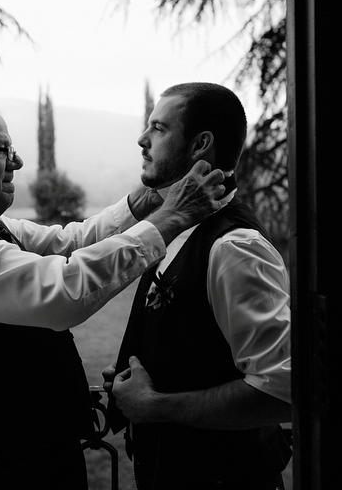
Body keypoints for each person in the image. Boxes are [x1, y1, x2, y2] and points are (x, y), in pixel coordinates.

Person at [0, 97, 231, 490]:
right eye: (2, 150)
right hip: (2, 472)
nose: (16, 162)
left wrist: (142, 205)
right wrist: (171, 218)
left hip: (33, 460)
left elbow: (68, 242)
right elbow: (64, 291)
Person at [103, 82, 292, 490]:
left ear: (200, 143)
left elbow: (280, 391)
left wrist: (154, 406)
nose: (142, 139)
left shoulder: (236, 247)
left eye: (158, 128)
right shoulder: (175, 230)